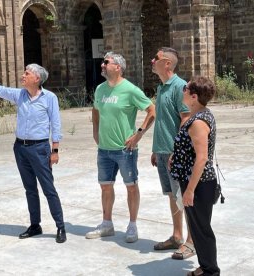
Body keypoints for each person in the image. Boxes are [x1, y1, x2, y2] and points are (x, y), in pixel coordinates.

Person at [0, 55, 67, 243]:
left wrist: (55, 150)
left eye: (26, 73)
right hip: (21, 147)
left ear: (37, 79)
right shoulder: (19, 94)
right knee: (30, 189)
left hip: (40, 148)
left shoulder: (49, 98)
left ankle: (60, 226)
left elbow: (56, 124)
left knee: (48, 188)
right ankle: (35, 225)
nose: (23, 76)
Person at [86, 52, 155, 243]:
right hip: (104, 149)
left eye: (106, 62)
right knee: (105, 186)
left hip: (125, 150)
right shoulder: (100, 89)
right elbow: (96, 109)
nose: (102, 65)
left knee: (131, 187)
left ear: (118, 67)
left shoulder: (130, 89)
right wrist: (95, 130)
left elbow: (152, 110)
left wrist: (139, 133)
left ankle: (132, 226)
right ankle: (107, 224)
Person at [170, 76, 220, 276]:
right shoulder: (199, 114)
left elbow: (201, 159)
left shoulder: (199, 121)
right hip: (195, 182)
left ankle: (211, 271)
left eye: (185, 88)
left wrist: (190, 190)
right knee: (198, 228)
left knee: (202, 230)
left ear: (194, 96)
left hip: (199, 184)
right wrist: (177, 155)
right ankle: (204, 266)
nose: (182, 91)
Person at [151, 47, 195, 260]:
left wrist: (176, 151)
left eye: (156, 58)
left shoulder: (180, 87)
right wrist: (155, 149)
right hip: (161, 152)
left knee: (183, 198)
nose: (152, 60)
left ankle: (191, 241)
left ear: (167, 63)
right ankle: (177, 236)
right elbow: (162, 120)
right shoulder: (161, 87)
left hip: (173, 154)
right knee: (171, 195)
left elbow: (186, 119)